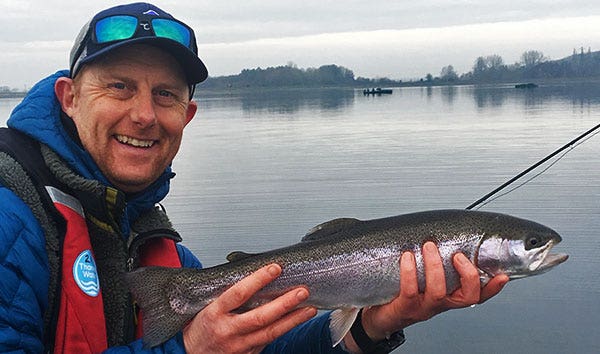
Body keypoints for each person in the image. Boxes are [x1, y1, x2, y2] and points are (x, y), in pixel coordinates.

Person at [0, 2, 508, 353]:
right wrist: (189, 349)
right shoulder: (10, 215)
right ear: (69, 99)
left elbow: (263, 347)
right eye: (119, 86)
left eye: (165, 95)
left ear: (188, 114)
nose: (144, 116)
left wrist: (375, 323)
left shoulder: (152, 242)